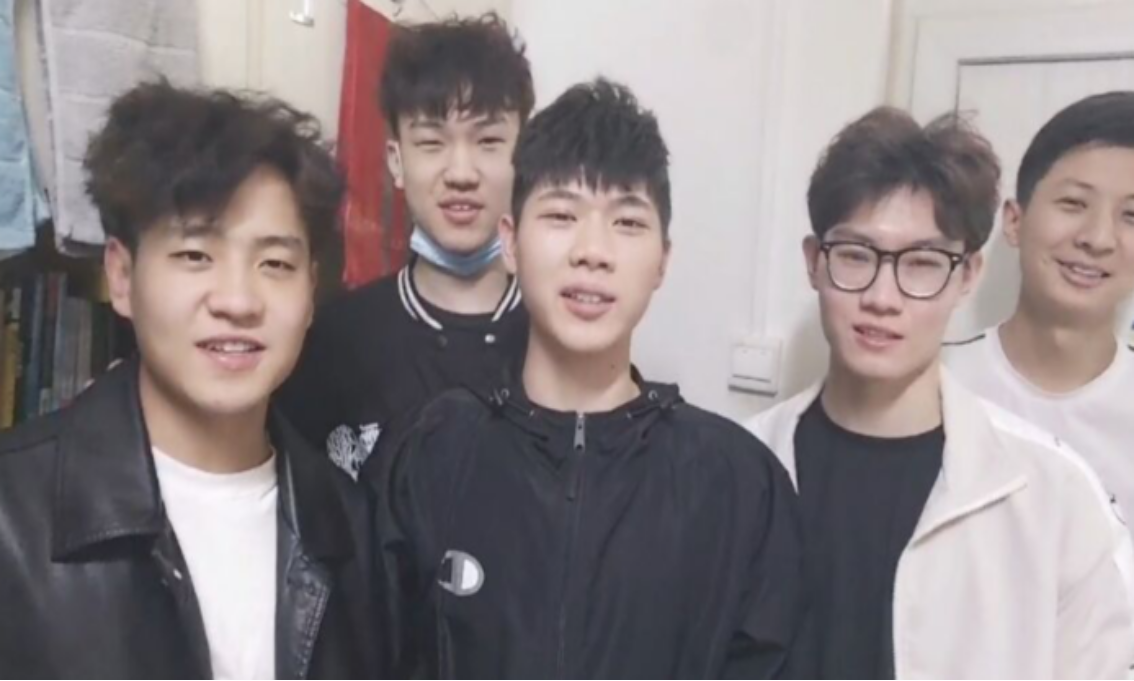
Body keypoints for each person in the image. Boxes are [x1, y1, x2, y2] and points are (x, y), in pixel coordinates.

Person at [378, 79, 806, 679]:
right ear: (510, 242)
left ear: (662, 260)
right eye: (561, 215)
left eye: (627, 223)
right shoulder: (433, 453)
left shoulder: (736, 484)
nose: (593, 251)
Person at [0, 81, 379, 679]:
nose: (237, 300)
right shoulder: (14, 511)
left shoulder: (352, 527)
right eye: (195, 256)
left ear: (310, 290)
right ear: (121, 276)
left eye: (275, 264)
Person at [747, 106, 1134, 678]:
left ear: (968, 275)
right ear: (813, 263)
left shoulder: (1055, 493)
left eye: (923, 264)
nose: (883, 297)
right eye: (855, 255)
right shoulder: (736, 466)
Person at [278, 13, 535, 483]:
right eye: (432, 142)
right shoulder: (333, 340)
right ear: (397, 162)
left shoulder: (556, 336)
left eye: (488, 141)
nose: (461, 173)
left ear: (524, 157)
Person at [945, 91, 1134, 539]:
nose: (1098, 238)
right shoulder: (933, 383)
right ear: (1014, 221)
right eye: (1074, 204)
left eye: (1131, 215)